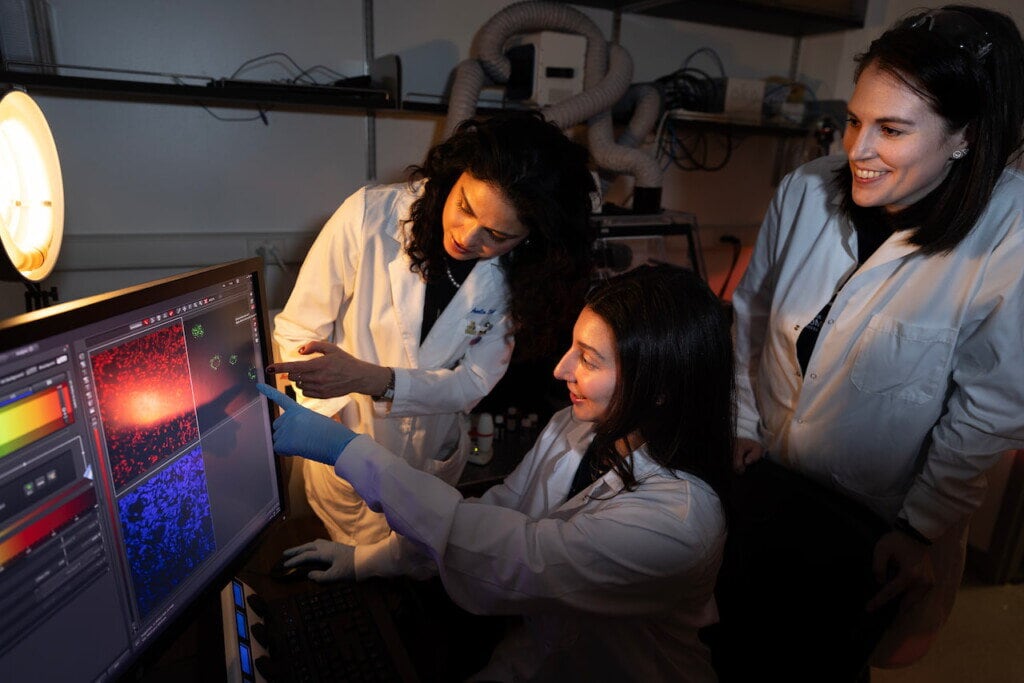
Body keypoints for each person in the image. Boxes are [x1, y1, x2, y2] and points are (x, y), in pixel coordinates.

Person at [258, 264, 734, 682]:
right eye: (573, 347)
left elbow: (512, 559)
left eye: (588, 359)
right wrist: (365, 560)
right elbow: (501, 510)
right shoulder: (579, 426)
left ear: (659, 389)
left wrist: (346, 449)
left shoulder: (676, 522)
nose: (561, 369)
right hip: (541, 654)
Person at [731, 5, 1024, 668]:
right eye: (855, 121)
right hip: (770, 484)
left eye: (890, 129)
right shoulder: (807, 190)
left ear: (965, 137)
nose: (856, 150)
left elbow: (991, 405)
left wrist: (921, 527)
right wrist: (742, 421)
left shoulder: (1011, 232)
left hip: (880, 523)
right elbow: (752, 313)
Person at [267, 111, 596, 546]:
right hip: (346, 444)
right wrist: (338, 430)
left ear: (529, 238)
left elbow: (474, 381)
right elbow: (296, 330)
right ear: (455, 174)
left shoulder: (523, 273)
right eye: (464, 206)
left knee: (414, 562)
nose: (467, 236)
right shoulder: (368, 216)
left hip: (431, 456)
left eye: (497, 234)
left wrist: (378, 381)